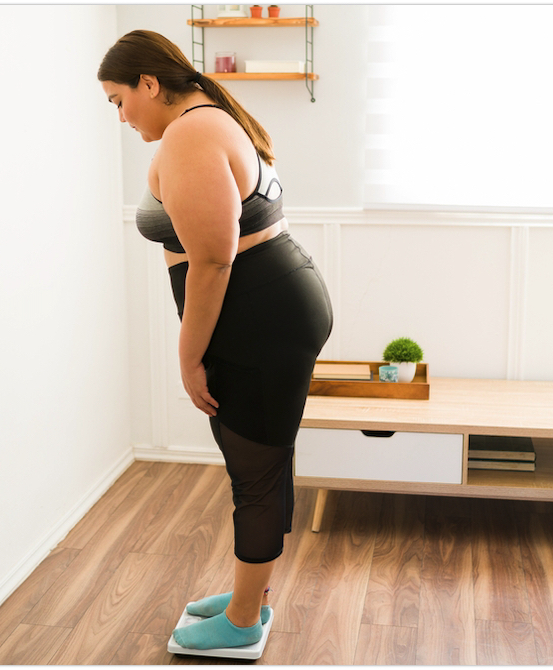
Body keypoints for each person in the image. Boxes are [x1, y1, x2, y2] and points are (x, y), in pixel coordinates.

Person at [98, 30, 332, 650]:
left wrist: (187, 353)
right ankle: (249, 595)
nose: (121, 116)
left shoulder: (192, 133)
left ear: (150, 83)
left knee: (253, 471)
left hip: (258, 322)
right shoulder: (209, 117)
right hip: (272, 313)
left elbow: (212, 260)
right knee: (262, 462)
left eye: (120, 100)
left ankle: (242, 622)